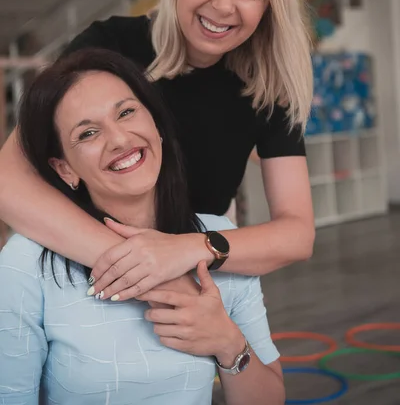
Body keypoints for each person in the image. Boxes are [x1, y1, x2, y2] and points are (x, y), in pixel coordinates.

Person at [0, 0, 314, 301]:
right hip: (87, 280)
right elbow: (8, 181)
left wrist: (186, 251)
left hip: (194, 282)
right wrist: (146, 268)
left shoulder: (268, 85)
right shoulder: (109, 47)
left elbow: (297, 233)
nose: (223, 5)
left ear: (270, 6)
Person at [0, 49, 284, 405]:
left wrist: (228, 343)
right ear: (64, 169)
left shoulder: (216, 240)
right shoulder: (25, 264)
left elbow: (270, 398)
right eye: (88, 133)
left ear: (157, 126)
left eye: (127, 112)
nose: (119, 139)